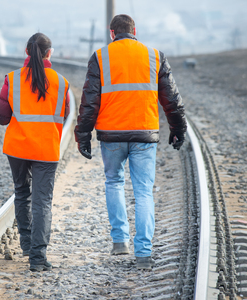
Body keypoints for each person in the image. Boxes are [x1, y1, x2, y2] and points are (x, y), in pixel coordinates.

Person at [74, 14, 187, 270]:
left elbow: (89, 101)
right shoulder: (155, 55)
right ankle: (144, 253)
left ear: (111, 33)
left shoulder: (100, 57)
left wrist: (83, 135)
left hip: (111, 135)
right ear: (135, 30)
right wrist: (177, 128)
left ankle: (120, 242)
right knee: (144, 191)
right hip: (144, 133)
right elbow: (171, 98)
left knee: (114, 181)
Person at [0, 32, 70, 272]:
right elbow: (66, 113)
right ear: (50, 53)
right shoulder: (61, 82)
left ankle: (26, 244)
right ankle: (37, 257)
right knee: (42, 200)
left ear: (26, 52)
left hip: (17, 147)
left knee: (21, 192)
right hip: (46, 148)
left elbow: (1, 117)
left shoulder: (13, 79)